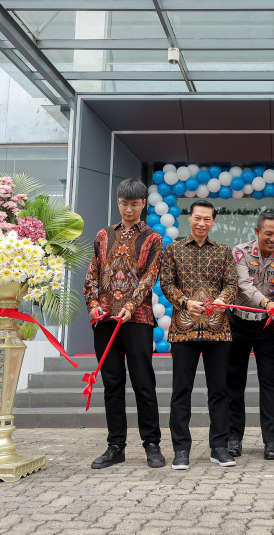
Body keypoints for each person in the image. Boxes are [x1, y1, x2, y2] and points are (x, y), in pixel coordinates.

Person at [83, 178, 164, 469]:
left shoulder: (154, 238)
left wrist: (130, 306)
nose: (129, 209)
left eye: (134, 204)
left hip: (138, 319)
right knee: (112, 384)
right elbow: (93, 273)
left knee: (144, 383)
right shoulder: (103, 235)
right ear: (118, 202)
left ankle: (151, 444)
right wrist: (92, 306)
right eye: (124, 203)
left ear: (143, 204)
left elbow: (149, 277)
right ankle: (115, 446)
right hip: (104, 320)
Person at [160, 200, 238, 470]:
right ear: (189, 219)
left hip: (218, 330)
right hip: (184, 330)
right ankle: (181, 449)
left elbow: (232, 285)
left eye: (207, 219)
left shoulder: (224, 251)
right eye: (197, 218)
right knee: (181, 391)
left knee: (219, 391)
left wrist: (220, 300)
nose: (202, 223)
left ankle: (219, 447)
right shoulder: (172, 250)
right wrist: (184, 303)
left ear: (213, 222)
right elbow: (166, 284)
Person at [227, 211, 274, 460]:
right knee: (234, 382)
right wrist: (269, 304)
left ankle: (271, 442)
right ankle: (233, 439)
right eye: (268, 233)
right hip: (238, 324)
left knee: (269, 383)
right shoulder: (240, 252)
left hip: (268, 328)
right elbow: (244, 286)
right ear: (257, 232)